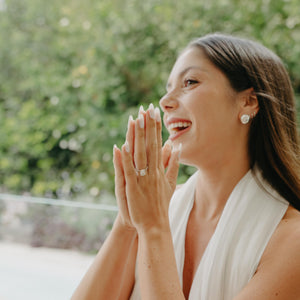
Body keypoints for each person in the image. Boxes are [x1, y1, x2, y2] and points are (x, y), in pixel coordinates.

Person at [71, 33, 300, 300]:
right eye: (168, 87)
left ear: (248, 101)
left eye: (189, 82)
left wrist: (154, 228)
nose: (165, 101)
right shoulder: (155, 207)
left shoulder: (291, 239)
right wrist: (127, 222)